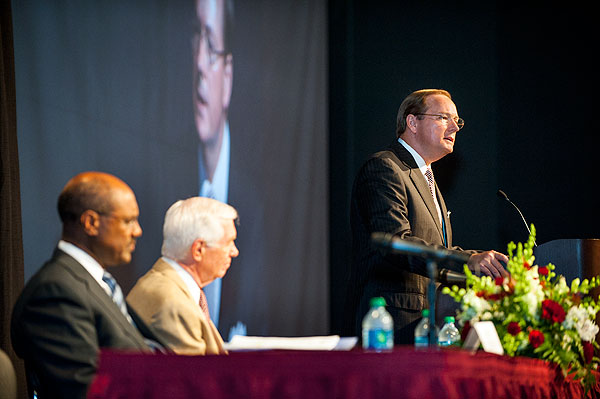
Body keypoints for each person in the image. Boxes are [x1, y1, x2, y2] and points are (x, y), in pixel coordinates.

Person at [344, 89, 509, 345]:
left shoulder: (428, 179)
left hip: (427, 322)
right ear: (412, 122)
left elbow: (437, 253)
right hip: (389, 323)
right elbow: (398, 243)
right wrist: (469, 261)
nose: (455, 126)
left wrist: (484, 264)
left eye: (457, 120)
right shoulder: (384, 168)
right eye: (444, 117)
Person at [11, 171, 168, 399]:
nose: (137, 231)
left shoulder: (96, 283)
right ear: (91, 222)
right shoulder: (54, 293)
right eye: (128, 221)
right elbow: (86, 391)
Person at [127, 197, 239, 355]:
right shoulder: (174, 304)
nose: (234, 252)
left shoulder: (164, 285)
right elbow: (199, 376)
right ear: (198, 250)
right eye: (229, 242)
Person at [193, 0, 234, 327]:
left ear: (228, 74)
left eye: (209, 45)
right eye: (194, 41)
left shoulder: (267, 204)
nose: (199, 66)